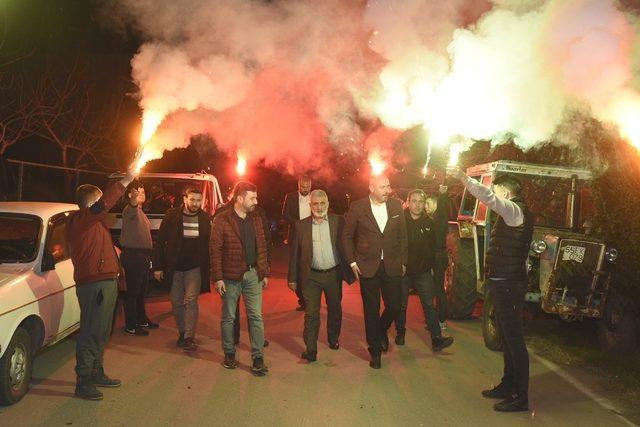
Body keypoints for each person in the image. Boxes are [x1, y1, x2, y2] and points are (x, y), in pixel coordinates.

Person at [449, 167, 533, 413]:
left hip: (508, 284)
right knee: (507, 337)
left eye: (496, 189)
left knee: (514, 339)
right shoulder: (512, 214)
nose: (493, 194)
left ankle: (521, 396)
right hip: (503, 282)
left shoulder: (514, 210)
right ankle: (508, 385)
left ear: (506, 192)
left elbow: (489, 198)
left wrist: (464, 179)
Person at [66, 158, 138, 400]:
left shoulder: (95, 224)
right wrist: (125, 181)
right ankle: (83, 381)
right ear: (92, 204)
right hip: (93, 285)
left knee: (102, 331)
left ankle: (96, 371)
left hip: (105, 283)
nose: (105, 205)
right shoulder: (80, 221)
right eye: (100, 201)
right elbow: (103, 205)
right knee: (90, 331)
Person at [342, 175, 407, 369]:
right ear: (371, 188)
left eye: (388, 186)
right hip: (367, 266)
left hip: (392, 265)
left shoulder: (396, 206)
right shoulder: (358, 207)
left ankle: (380, 331)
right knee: (371, 310)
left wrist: (404, 261)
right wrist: (352, 262)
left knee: (395, 305)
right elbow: (346, 236)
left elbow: (402, 236)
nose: (388, 190)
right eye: (383, 187)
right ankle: (375, 352)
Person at [288, 190, 355, 362]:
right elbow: (294, 253)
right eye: (315, 204)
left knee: (335, 310)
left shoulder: (338, 221)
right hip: (311, 277)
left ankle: (333, 338)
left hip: (333, 275)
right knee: (311, 314)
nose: (319, 207)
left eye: (322, 203)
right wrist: (292, 278)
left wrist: (354, 262)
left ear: (328, 204)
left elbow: (349, 242)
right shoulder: (300, 225)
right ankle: (311, 350)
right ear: (310, 205)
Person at [211, 181, 270, 376]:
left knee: (256, 316)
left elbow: (262, 246)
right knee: (229, 317)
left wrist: (264, 272)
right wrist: (218, 277)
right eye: (252, 198)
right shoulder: (222, 219)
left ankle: (258, 357)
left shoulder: (257, 218)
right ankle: (229, 353)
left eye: (256, 197)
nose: (256, 201)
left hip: (253, 275)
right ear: (240, 198)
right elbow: (215, 250)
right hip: (230, 277)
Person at [394, 189, 454, 352]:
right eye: (414, 201)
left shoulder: (429, 223)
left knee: (429, 304)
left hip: (423, 271)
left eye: (421, 201)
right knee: (401, 305)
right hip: (404, 271)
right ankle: (400, 333)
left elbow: (434, 248)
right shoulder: (400, 220)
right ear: (408, 202)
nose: (418, 204)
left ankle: (436, 339)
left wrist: (434, 268)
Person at [153, 187, 211, 352]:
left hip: (195, 268)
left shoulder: (205, 218)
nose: (195, 203)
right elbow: (160, 242)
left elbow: (208, 244)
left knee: (191, 300)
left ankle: (188, 337)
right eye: (192, 199)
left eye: (199, 200)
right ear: (185, 199)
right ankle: (182, 332)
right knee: (176, 302)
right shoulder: (172, 216)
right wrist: (158, 267)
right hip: (174, 267)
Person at [120, 182, 158, 336]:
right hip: (133, 256)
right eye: (137, 192)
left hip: (142, 257)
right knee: (133, 292)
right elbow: (133, 205)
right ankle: (130, 325)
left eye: (143, 191)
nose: (141, 194)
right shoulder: (130, 210)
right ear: (131, 195)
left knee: (142, 291)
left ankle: (141, 319)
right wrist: (134, 198)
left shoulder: (141, 212)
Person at [281, 175, 312, 311]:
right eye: (302, 187)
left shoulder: (315, 196)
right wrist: (298, 224)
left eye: (307, 187)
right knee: (297, 268)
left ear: (311, 186)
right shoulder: (291, 197)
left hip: (312, 237)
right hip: (296, 236)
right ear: (298, 186)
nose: (305, 190)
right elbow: (285, 215)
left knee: (311, 267)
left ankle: (310, 297)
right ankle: (302, 298)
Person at [425, 185, 450, 330]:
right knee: (434, 288)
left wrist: (442, 194)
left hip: (438, 257)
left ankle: (440, 320)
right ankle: (436, 319)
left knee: (438, 289)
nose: (425, 207)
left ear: (435, 204)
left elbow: (442, 208)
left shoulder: (439, 216)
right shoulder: (432, 218)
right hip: (435, 256)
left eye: (428, 204)